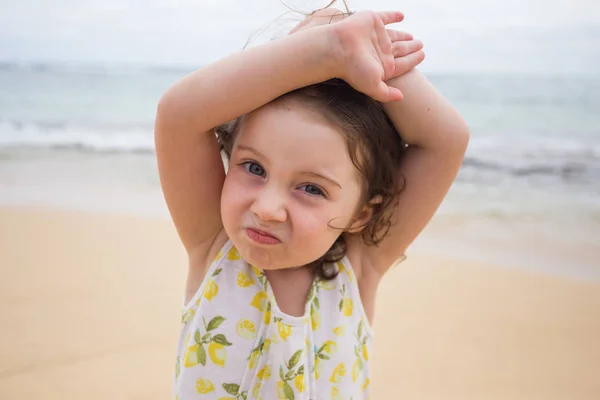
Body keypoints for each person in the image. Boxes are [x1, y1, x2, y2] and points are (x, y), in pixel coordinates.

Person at [155, 5, 469, 399]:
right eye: (253, 167)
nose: (267, 208)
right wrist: (324, 48)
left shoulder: (358, 270)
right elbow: (179, 114)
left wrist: (376, 53)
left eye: (311, 189)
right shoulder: (216, 248)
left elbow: (446, 141)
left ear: (363, 213)